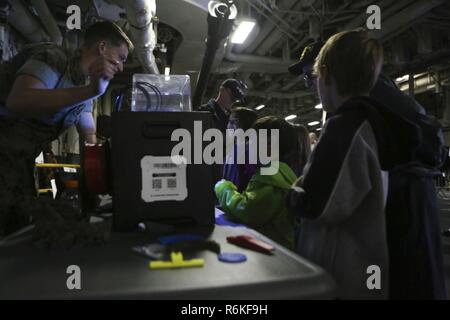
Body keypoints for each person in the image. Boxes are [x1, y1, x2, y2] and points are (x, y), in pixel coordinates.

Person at [288, 34, 447, 300]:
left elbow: (319, 202)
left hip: (396, 218)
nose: (310, 85)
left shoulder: (357, 112)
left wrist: (296, 190)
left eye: (310, 76)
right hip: (412, 213)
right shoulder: (383, 101)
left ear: (328, 72)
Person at [0, 21, 133, 237]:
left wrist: (103, 176)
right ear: (102, 47)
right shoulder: (54, 58)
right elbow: (18, 100)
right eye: (120, 58)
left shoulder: (84, 85)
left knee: (18, 225)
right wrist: (90, 90)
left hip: (18, 161)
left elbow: (89, 137)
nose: (121, 67)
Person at [216, 116, 298, 249]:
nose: (249, 146)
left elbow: (246, 211)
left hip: (273, 250)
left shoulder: (270, 178)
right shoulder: (284, 172)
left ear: (270, 144)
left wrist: (223, 188)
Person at [223, 107, 258, 192]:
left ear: (247, 124)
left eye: (234, 122)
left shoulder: (252, 151)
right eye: (229, 122)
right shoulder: (231, 150)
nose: (229, 126)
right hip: (228, 200)